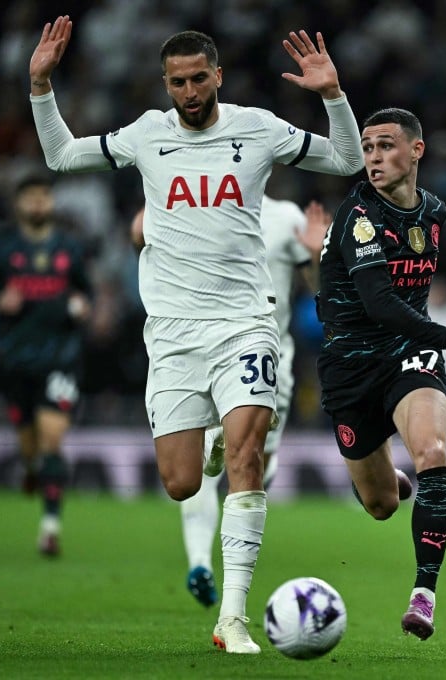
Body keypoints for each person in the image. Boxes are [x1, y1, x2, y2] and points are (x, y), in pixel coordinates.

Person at [28, 17, 363, 653]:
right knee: (181, 482)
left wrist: (332, 96)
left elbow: (346, 158)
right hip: (174, 332)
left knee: (247, 458)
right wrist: (42, 87)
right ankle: (208, 436)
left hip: (245, 323)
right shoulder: (146, 135)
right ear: (166, 83)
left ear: (218, 76)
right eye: (176, 82)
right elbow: (60, 157)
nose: (188, 91)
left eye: (198, 79)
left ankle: (232, 617)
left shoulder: (258, 128)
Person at [315, 108, 446, 641]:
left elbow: (404, 312)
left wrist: (435, 347)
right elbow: (379, 303)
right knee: (380, 506)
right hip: (349, 369)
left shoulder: (433, 212)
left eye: (385, 147)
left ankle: (424, 594)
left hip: (408, 358)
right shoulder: (358, 217)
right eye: (367, 149)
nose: (373, 158)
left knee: (432, 455)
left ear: (416, 151)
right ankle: (385, 482)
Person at [134, 196, 333, 609]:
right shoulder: (191, 197)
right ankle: (201, 564)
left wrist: (316, 253)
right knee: (205, 471)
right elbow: (139, 233)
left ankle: (218, 562)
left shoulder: (285, 217)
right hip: (200, 351)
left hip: (267, 356)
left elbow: (323, 293)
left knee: (258, 465)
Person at [0, 175, 93, 558]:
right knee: (31, 451)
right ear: (18, 204)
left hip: (60, 358)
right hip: (15, 361)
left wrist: (83, 305)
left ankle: (50, 527)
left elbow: (87, 291)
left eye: (44, 196)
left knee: (52, 440)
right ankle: (33, 469)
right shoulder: (0, 249)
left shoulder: (70, 248)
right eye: (31, 197)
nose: (38, 203)